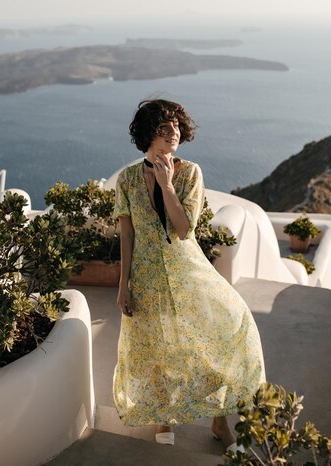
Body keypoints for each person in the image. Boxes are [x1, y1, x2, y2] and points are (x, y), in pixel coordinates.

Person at [112, 98, 265, 452]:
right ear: (148, 133)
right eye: (165, 128)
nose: (173, 134)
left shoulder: (190, 173)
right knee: (161, 347)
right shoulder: (128, 179)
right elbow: (127, 233)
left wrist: (167, 185)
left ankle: (219, 418)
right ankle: (165, 419)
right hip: (147, 277)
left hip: (189, 272)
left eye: (177, 127)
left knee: (218, 335)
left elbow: (183, 230)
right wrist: (124, 284)